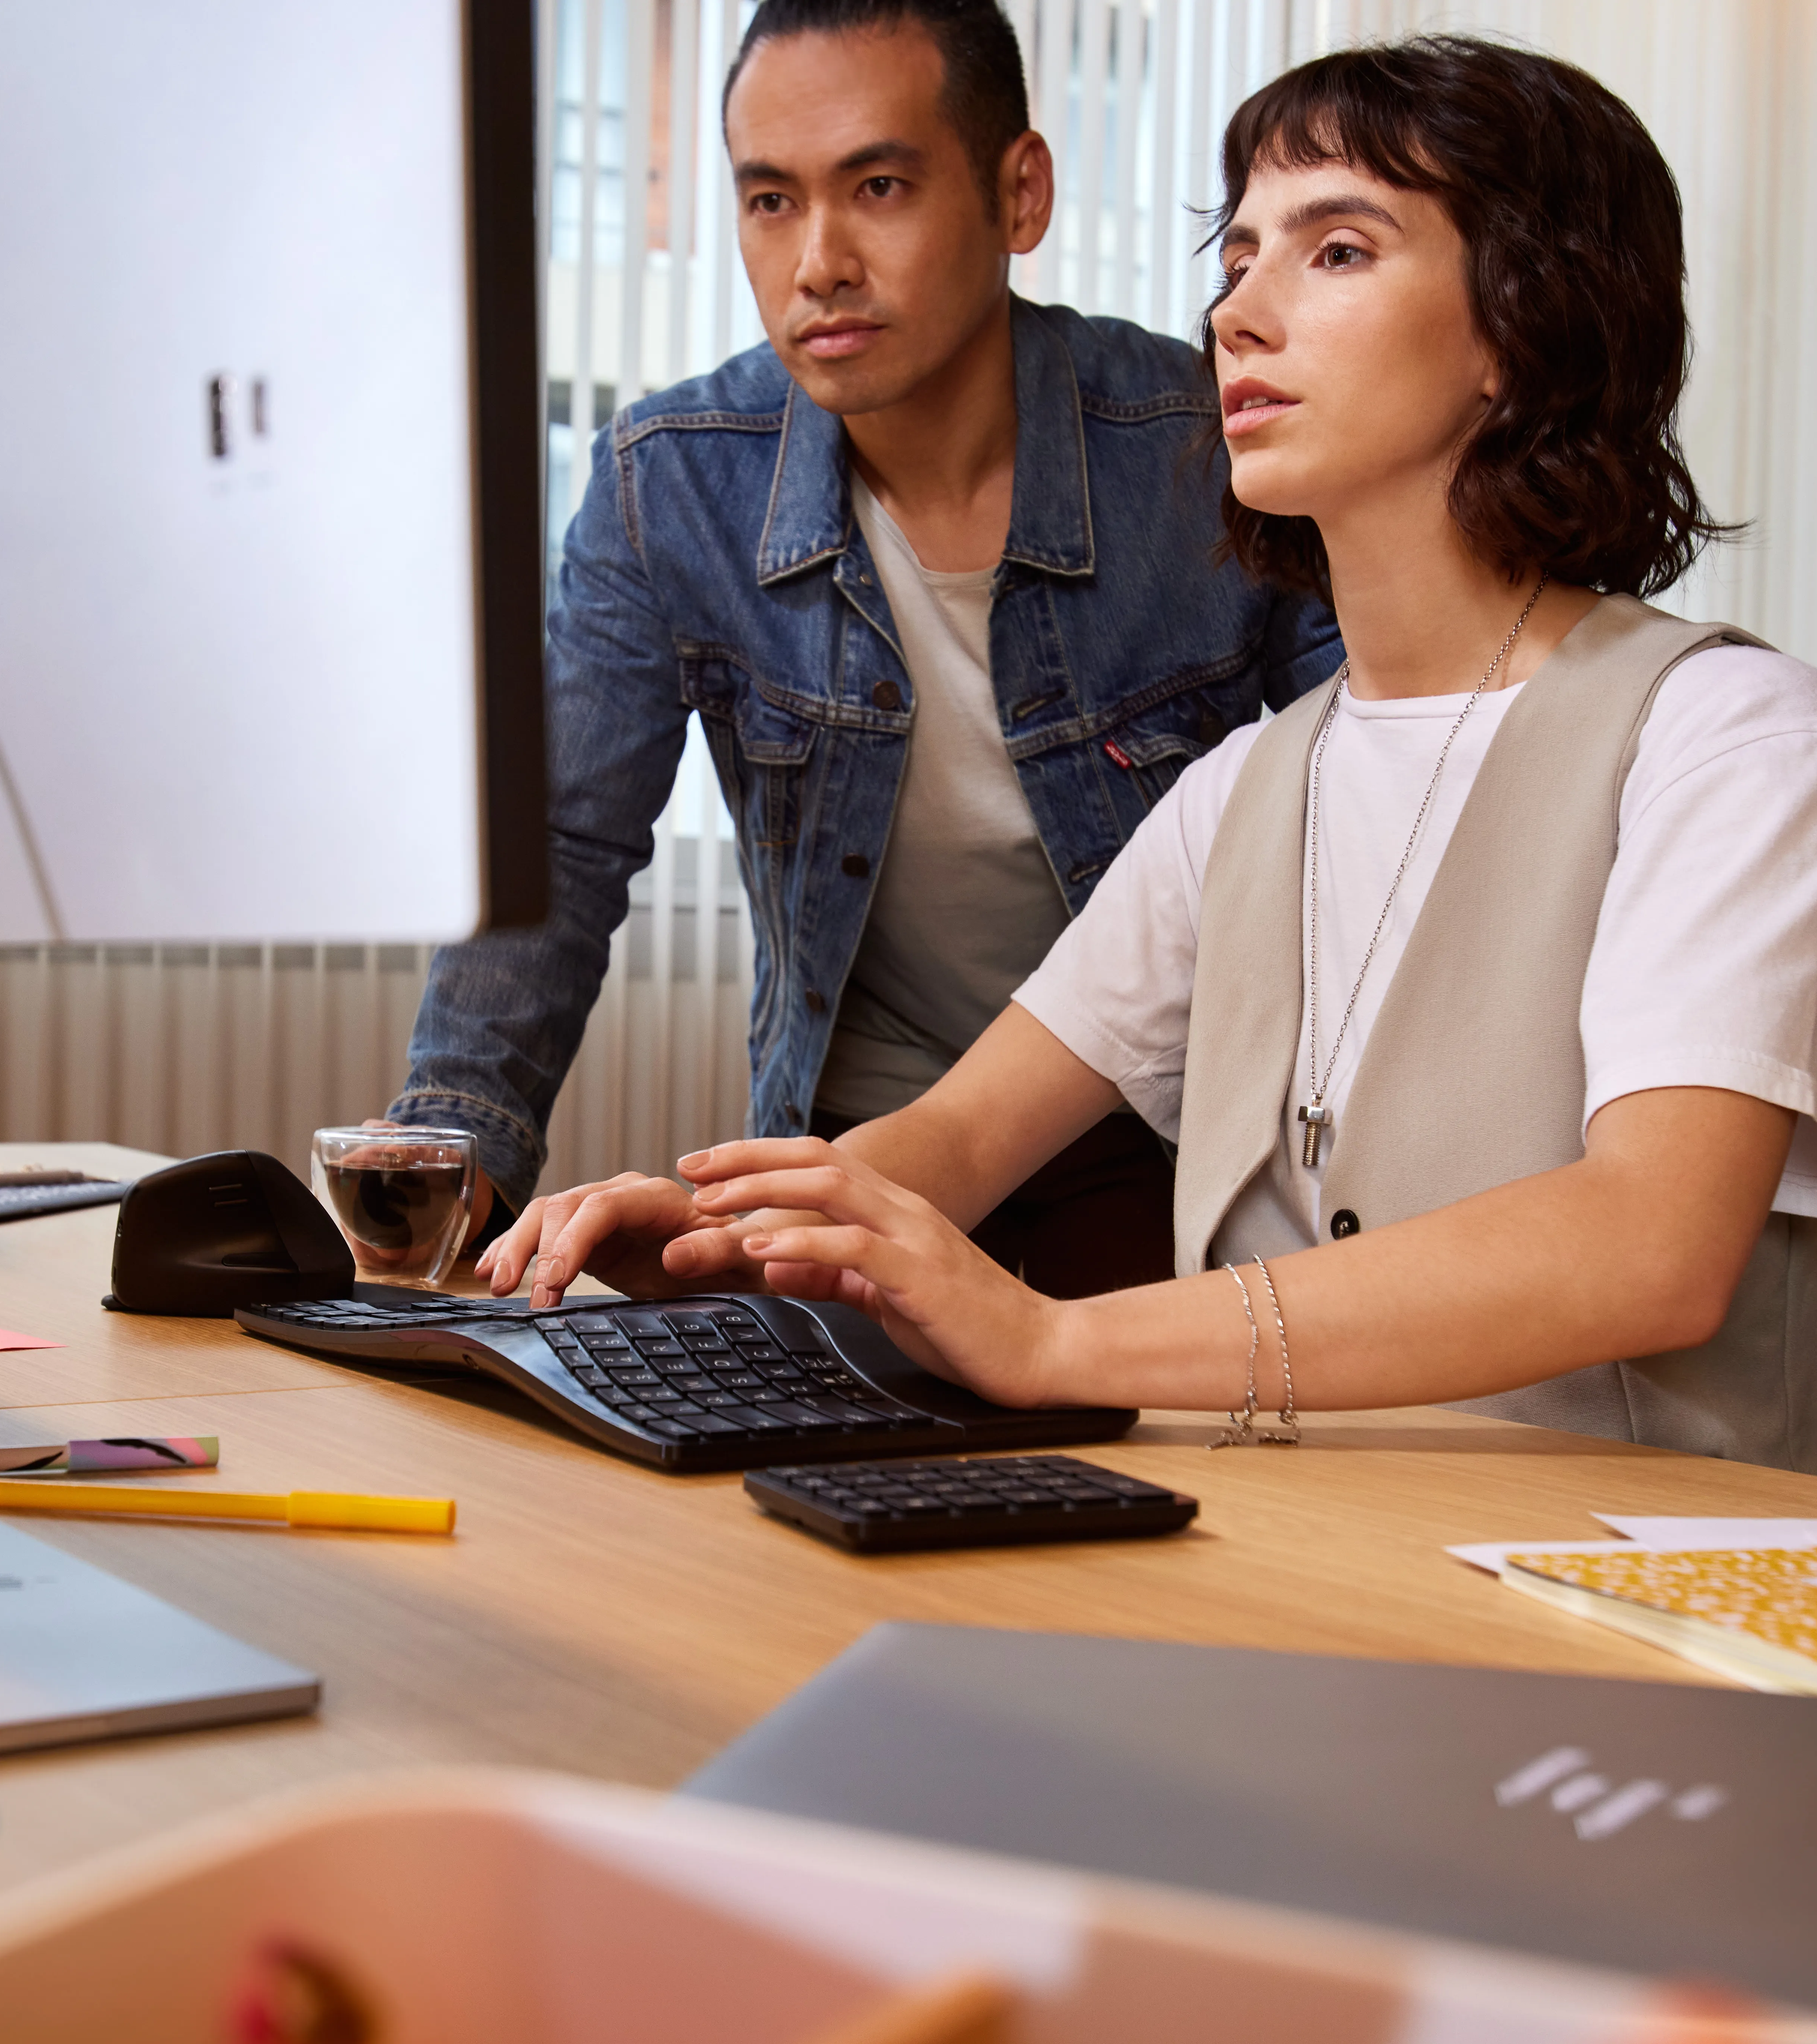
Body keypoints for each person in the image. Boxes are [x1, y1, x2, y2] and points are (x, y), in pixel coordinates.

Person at [483, 36, 1817, 1479]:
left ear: (1518, 330)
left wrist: (1053, 1343)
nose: (1238, 315)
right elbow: (961, 1138)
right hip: (1298, 1562)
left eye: (1337, 251)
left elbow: (1651, 1247)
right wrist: (715, 1229)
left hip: (1643, 1582)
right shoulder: (1246, 790)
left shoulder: (1731, 737)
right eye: (1238, 258)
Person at [386, 0, 1341, 1298]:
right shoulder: (674, 482)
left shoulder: (1211, 449)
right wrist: (438, 1193)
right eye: (771, 202)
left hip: (1168, 1144)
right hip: (860, 1151)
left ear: (1020, 193)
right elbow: (557, 851)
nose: (819, 263)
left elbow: (1380, 815)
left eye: (879, 187)